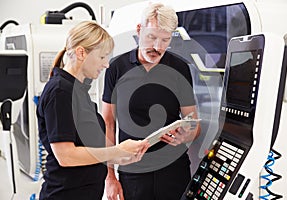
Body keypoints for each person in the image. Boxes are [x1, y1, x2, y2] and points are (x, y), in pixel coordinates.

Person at [36, 21, 150, 200]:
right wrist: (118, 151)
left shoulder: (79, 91)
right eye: (103, 57)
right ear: (82, 53)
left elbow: (97, 150)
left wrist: (126, 156)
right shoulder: (60, 91)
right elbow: (66, 156)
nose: (106, 65)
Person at [102, 3, 201, 200]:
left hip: (174, 172)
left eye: (165, 40)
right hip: (133, 174)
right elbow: (108, 124)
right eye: (152, 37)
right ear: (139, 30)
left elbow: (194, 124)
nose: (157, 47)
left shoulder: (179, 68)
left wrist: (186, 135)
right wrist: (110, 177)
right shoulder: (116, 68)